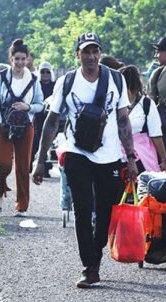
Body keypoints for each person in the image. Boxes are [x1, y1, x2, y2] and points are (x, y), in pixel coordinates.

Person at [32, 32, 136, 288]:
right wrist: (39, 160)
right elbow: (52, 121)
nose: (91, 56)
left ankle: (95, 254)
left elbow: (123, 120)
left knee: (105, 212)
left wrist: (131, 158)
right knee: (81, 208)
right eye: (85, 52)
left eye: (95, 51)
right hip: (77, 152)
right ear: (77, 54)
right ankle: (89, 266)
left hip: (110, 155)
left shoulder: (116, 80)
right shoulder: (67, 82)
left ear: (99, 54)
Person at [0, 39, 44, 217]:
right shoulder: (0, 77)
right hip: (2, 124)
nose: (19, 62)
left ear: (28, 60)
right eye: (16, 59)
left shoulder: (34, 80)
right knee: (3, 163)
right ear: (11, 59)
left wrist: (29, 107)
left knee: (23, 166)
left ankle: (22, 205)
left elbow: (41, 104)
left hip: (25, 126)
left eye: (23, 59)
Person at [119, 65, 166, 172]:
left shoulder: (146, 104)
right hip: (119, 155)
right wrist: (164, 160)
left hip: (141, 157)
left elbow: (156, 134)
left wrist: (164, 160)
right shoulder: (114, 102)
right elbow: (156, 134)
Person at [32, 61, 56, 173]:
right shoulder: (35, 85)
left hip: (51, 117)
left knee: (48, 141)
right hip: (37, 116)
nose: (45, 74)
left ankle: (45, 167)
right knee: (36, 141)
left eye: (47, 72)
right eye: (42, 72)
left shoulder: (55, 86)